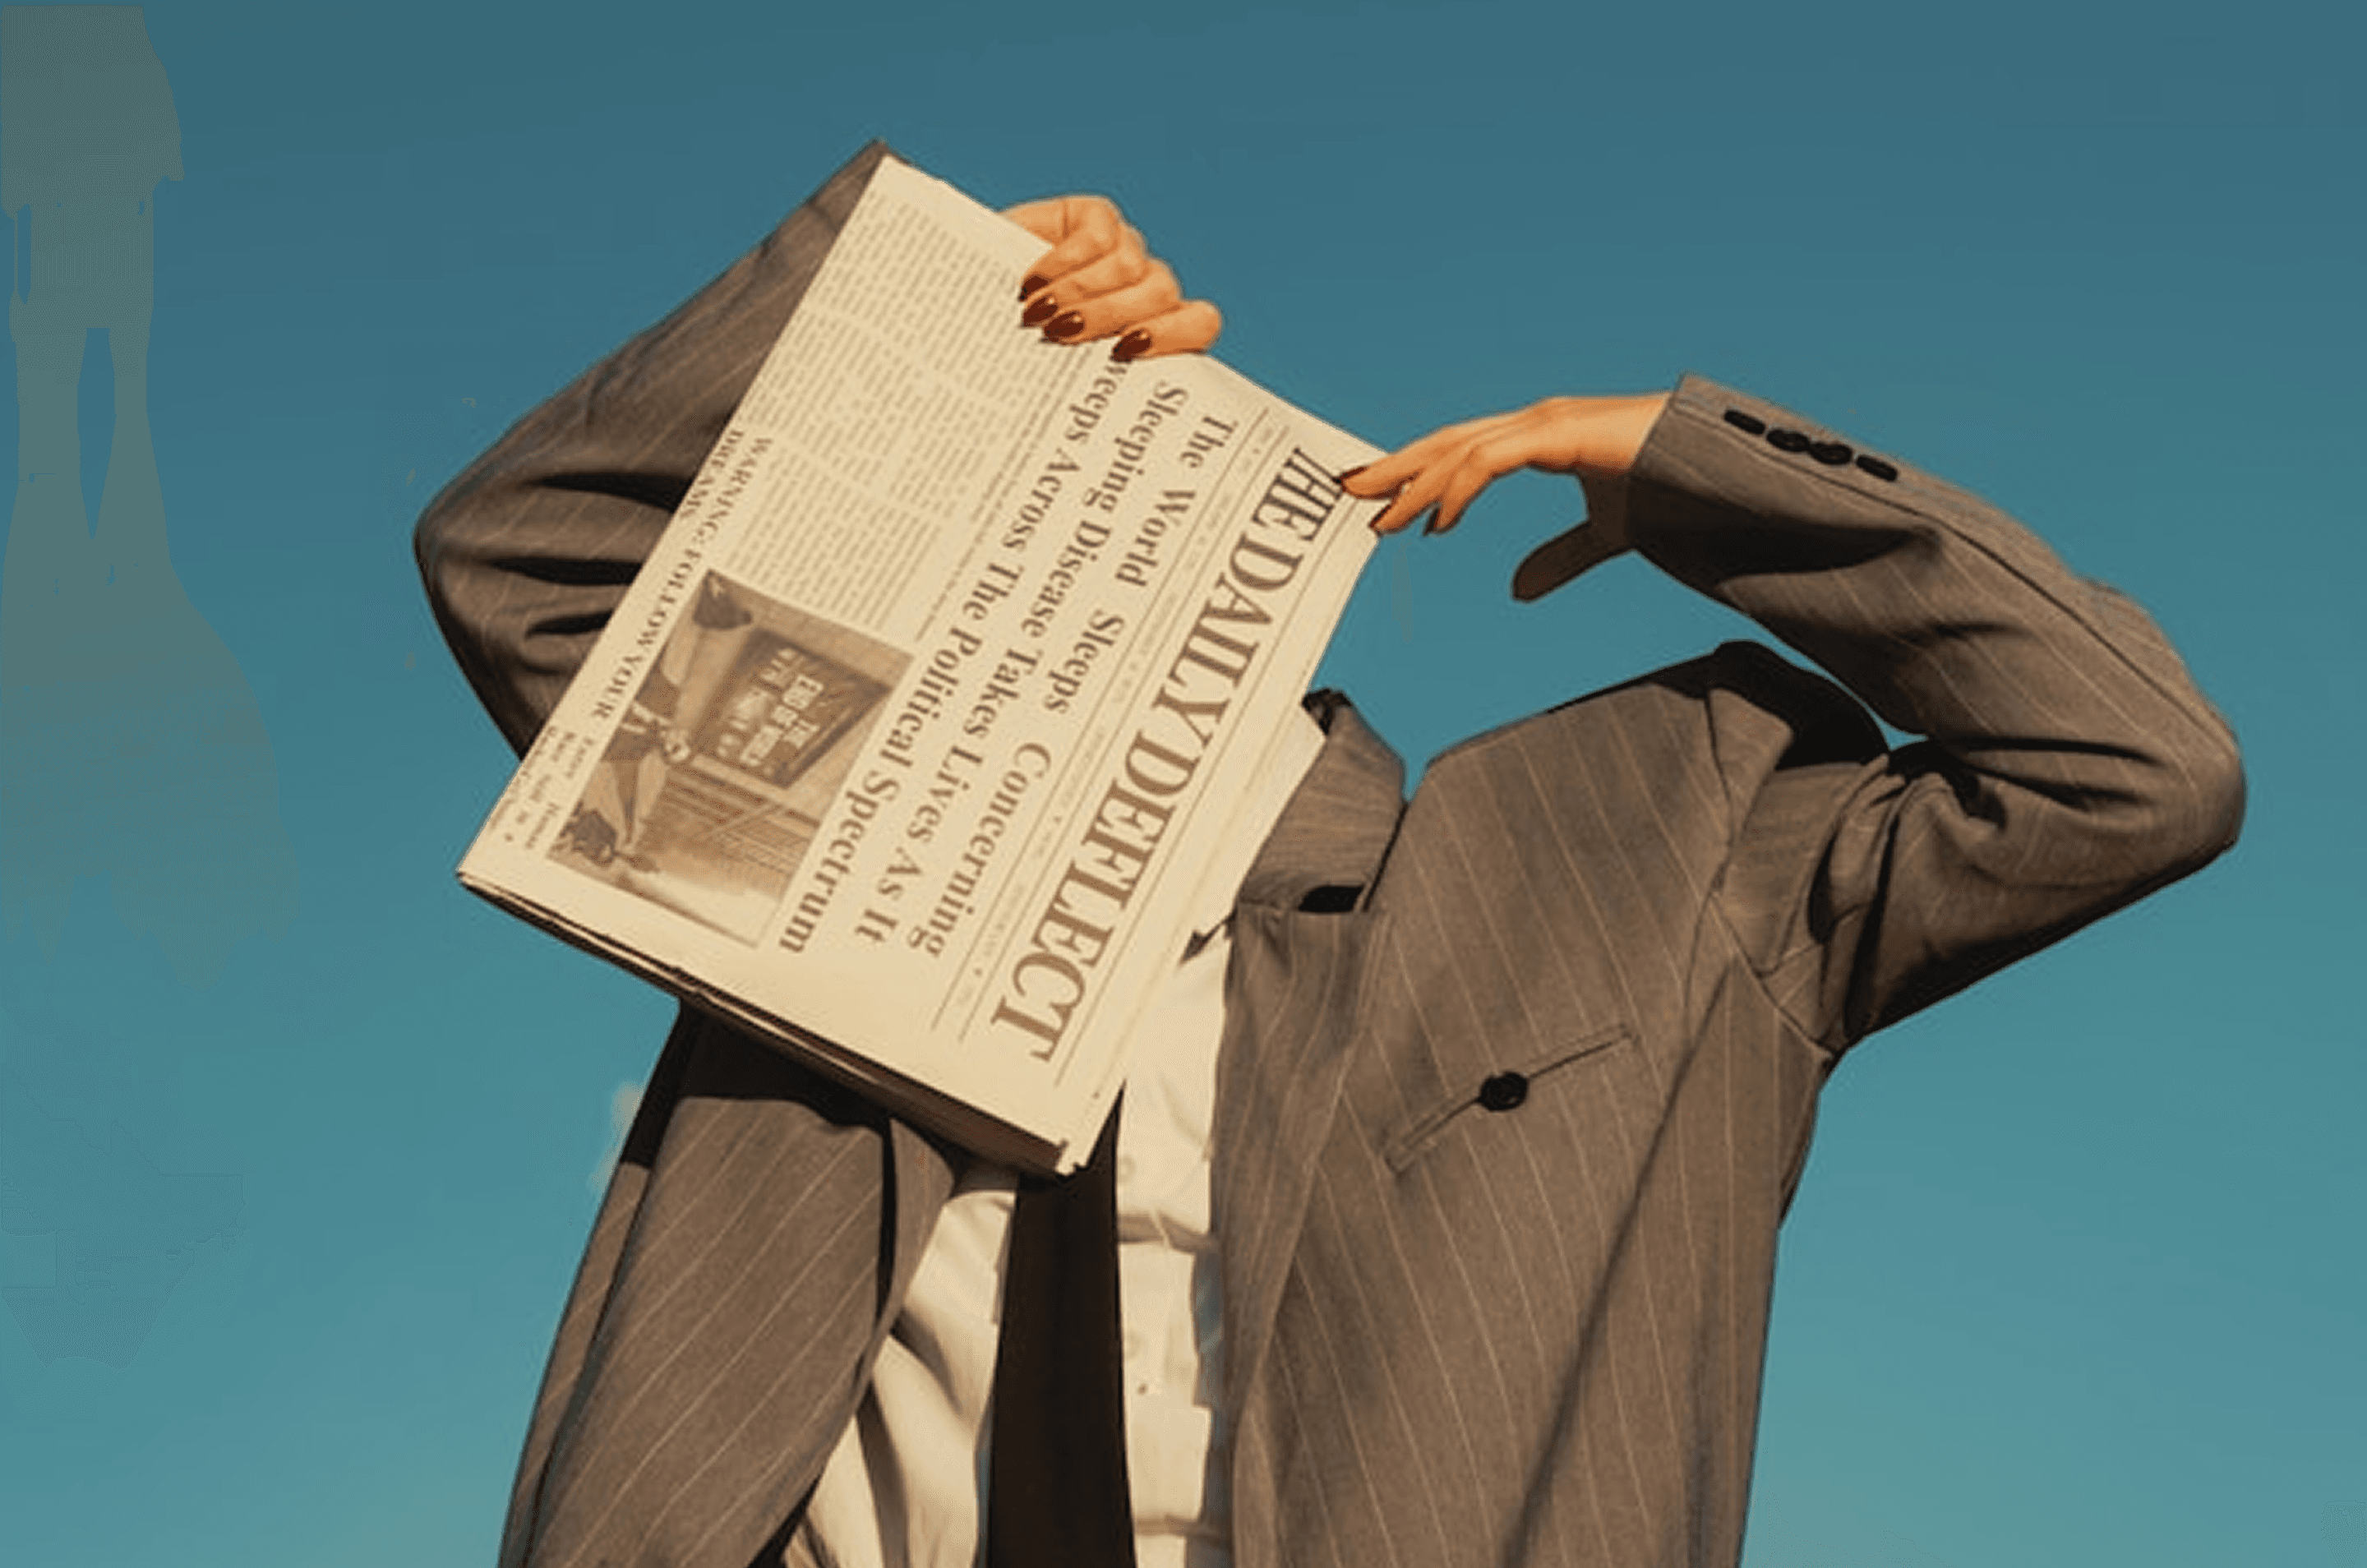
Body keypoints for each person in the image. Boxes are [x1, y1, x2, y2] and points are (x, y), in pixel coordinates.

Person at [415, 156, 2243, 1568]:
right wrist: (937, 295)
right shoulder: (833, 828)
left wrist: (1694, 470)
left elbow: (2135, 773)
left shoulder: (1654, 847)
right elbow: (523, 555)